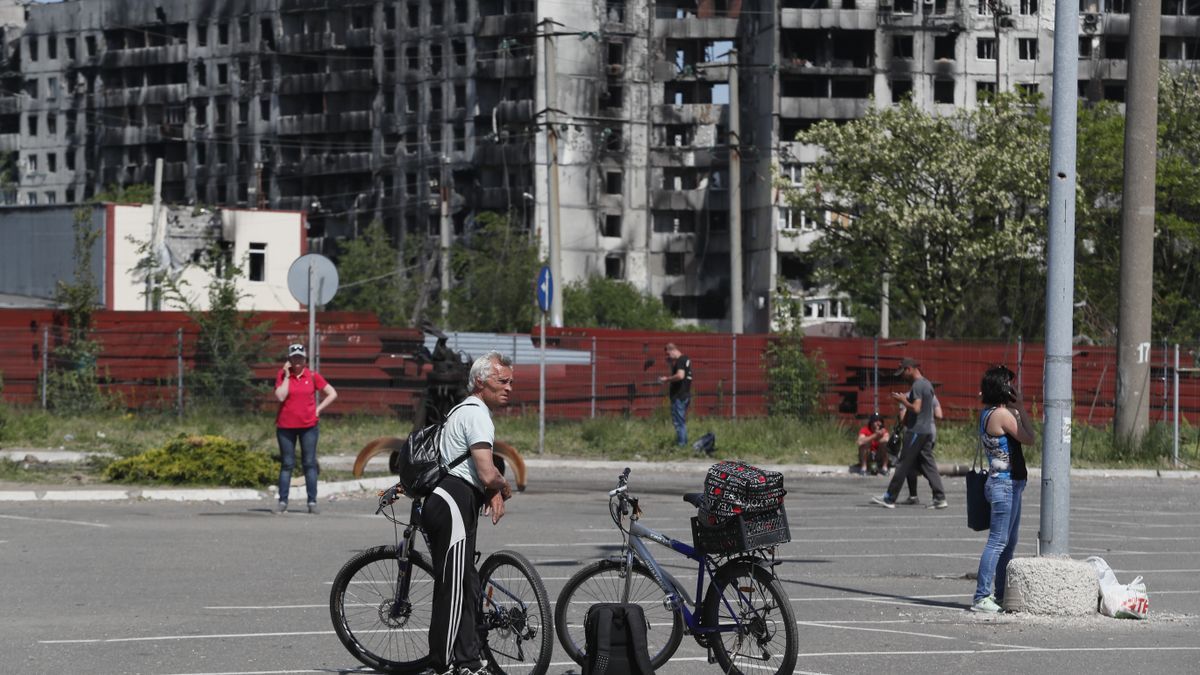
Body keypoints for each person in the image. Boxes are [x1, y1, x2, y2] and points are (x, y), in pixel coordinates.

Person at [423, 350, 514, 675]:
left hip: (450, 500)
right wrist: (502, 487)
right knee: (454, 587)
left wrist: (490, 489)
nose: (508, 387)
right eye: (502, 381)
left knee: (466, 583)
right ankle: (444, 665)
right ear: (480, 381)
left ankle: (468, 661)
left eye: (511, 382)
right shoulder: (477, 414)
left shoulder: (461, 409)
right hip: (454, 502)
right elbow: (487, 472)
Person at [971, 365, 1035, 613]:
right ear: (1002, 388)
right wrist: (1020, 408)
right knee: (998, 542)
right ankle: (982, 596)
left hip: (1007, 483)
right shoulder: (1002, 415)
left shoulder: (989, 413)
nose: (1013, 389)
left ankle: (998, 593)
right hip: (1004, 484)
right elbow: (1029, 437)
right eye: (1009, 385)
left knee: (1008, 542)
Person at [871, 357, 948, 509]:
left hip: (916, 431)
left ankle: (890, 498)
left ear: (909, 369)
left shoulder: (918, 385)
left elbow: (917, 408)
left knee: (903, 464)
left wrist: (903, 400)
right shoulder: (927, 384)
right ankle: (940, 498)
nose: (902, 376)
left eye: (903, 373)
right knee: (928, 465)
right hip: (926, 431)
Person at [273, 343, 337, 514]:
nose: (297, 361)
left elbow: (332, 393)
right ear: (289, 360)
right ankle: (283, 501)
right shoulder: (282, 375)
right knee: (287, 464)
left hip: (308, 426)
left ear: (305, 359)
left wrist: (318, 409)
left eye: (300, 357)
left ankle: (312, 501)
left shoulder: (313, 376)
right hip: (285, 427)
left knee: (309, 463)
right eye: (294, 358)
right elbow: (280, 396)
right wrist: (287, 375)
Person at [894, 395, 944, 504]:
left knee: (920, 465)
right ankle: (916, 496)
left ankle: (938, 495)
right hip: (931, 433)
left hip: (915, 434)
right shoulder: (932, 396)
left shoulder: (906, 397)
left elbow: (903, 420)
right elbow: (939, 415)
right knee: (918, 464)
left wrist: (907, 406)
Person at [658, 343, 693, 447]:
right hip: (685, 394)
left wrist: (666, 379)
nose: (668, 357)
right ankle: (684, 444)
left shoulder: (680, 360)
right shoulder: (685, 359)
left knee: (678, 422)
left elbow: (680, 376)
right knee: (681, 421)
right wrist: (670, 364)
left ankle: (682, 445)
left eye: (668, 354)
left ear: (672, 350)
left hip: (679, 396)